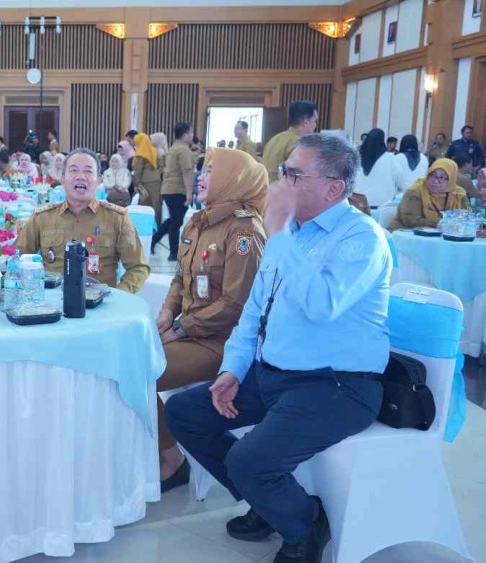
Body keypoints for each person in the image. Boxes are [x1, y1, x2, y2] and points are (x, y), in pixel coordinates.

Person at [165, 133, 390, 563]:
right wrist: (233, 370)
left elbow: (322, 305)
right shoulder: (290, 235)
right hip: (273, 376)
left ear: (334, 188)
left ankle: (305, 524)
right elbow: (253, 314)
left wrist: (280, 233)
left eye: (293, 175)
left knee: (248, 460)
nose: (281, 183)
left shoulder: (361, 239)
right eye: (283, 172)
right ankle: (268, 501)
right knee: (185, 413)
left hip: (336, 386)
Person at [155, 148, 267, 492]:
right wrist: (167, 313)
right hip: (190, 333)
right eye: (203, 170)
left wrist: (180, 329)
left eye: (211, 171)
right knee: (124, 360)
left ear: (233, 179)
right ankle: (154, 450)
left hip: (223, 343)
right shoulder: (197, 221)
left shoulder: (244, 231)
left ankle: (170, 460)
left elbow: (236, 304)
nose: (201, 177)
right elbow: (180, 279)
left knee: (140, 370)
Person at [15, 148, 150, 293]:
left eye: (88, 171)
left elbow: (138, 267)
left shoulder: (117, 219)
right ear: (62, 179)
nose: (81, 176)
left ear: (98, 180)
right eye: (73, 170)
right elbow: (16, 259)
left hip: (100, 302)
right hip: (52, 301)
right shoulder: (42, 218)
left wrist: (118, 296)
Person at [151, 122, 196, 261]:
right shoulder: (183, 150)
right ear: (185, 134)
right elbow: (186, 172)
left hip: (167, 189)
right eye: (191, 132)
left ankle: (155, 239)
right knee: (176, 222)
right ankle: (173, 253)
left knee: (174, 220)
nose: (192, 135)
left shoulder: (173, 148)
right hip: (177, 189)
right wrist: (189, 193)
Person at [388, 159, 469, 230]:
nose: (435, 181)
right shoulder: (415, 191)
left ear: (451, 179)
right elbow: (410, 220)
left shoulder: (459, 194)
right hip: (405, 233)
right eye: (432, 175)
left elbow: (466, 218)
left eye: (442, 178)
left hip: (443, 236)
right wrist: (440, 223)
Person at [262, 100, 319, 182]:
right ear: (305, 122)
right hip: (283, 189)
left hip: (266, 188)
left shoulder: (274, 138)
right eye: (315, 121)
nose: (315, 125)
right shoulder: (300, 143)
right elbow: (299, 178)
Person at [354, 128, 397, 208]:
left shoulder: (356, 156)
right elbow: (398, 176)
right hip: (383, 202)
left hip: (359, 202)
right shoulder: (390, 157)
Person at [132, 133, 163, 225]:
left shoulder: (141, 152)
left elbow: (138, 170)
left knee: (144, 203)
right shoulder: (154, 150)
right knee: (156, 203)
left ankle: (146, 225)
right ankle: (157, 225)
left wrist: (136, 183)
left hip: (145, 181)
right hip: (156, 180)